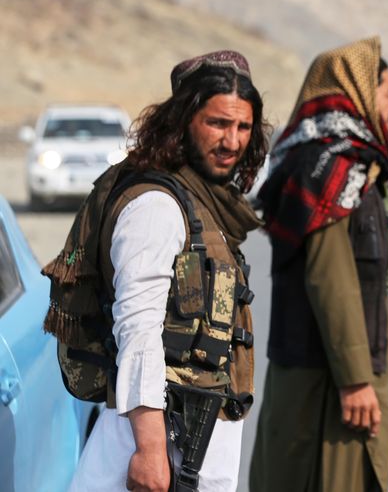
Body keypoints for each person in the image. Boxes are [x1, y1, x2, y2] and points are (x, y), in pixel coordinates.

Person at [47, 50, 268, 491]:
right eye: (218, 123)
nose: (232, 141)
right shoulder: (157, 206)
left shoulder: (202, 200)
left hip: (191, 444)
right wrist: (149, 452)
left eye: (243, 127)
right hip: (156, 449)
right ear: (184, 121)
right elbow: (138, 329)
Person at [250, 36, 388, 492]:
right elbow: (329, 278)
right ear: (355, 91)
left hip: (337, 378)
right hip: (328, 388)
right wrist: (355, 380)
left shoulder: (350, 167)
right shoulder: (327, 169)